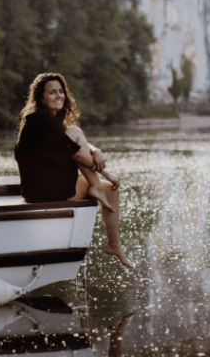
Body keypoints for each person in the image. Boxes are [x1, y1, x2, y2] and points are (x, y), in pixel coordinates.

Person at [15, 73, 132, 269]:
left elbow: (73, 142)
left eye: (61, 91)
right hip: (44, 192)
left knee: (110, 189)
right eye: (52, 92)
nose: (59, 96)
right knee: (108, 184)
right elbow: (77, 153)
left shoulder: (42, 119)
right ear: (40, 97)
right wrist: (107, 174)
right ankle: (112, 241)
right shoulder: (40, 120)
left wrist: (96, 151)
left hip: (43, 187)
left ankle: (114, 244)